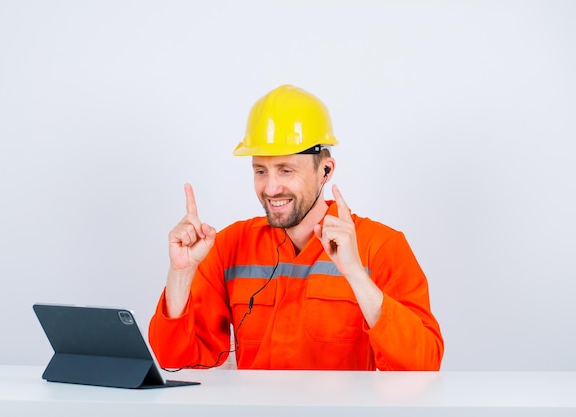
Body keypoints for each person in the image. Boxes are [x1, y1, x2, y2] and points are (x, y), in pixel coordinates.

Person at [149, 84, 444, 370]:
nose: (271, 187)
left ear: (325, 170)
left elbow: (423, 366)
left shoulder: (380, 247)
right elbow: (177, 359)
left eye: (286, 170)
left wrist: (355, 274)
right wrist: (181, 274)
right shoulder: (229, 246)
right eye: (261, 171)